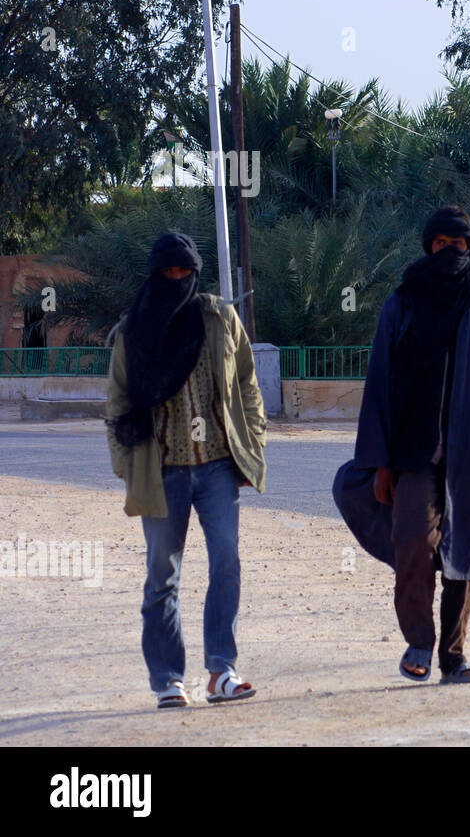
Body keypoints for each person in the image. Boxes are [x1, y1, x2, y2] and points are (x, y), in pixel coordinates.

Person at [354, 207, 470, 685]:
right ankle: (418, 642)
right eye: (440, 244)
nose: (449, 251)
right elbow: (379, 385)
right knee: (412, 540)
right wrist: (380, 462)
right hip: (411, 452)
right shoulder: (402, 304)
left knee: (462, 551)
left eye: (458, 244)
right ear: (427, 247)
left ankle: (453, 658)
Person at [105, 232, 267, 710]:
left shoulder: (218, 317)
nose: (175, 279)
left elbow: (247, 383)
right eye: (167, 272)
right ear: (156, 275)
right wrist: (126, 466)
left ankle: (221, 670)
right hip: (162, 469)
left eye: (183, 272)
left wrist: (250, 445)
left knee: (227, 562)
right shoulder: (133, 330)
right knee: (162, 576)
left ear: (194, 274)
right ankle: (168, 681)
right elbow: (115, 402)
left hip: (217, 466)